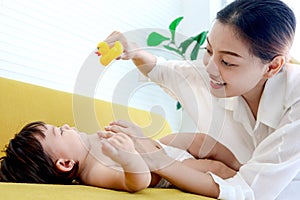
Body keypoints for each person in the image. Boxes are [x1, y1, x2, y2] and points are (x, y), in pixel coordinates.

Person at [103, 0, 300, 199]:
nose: (210, 68)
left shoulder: (296, 101)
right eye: (209, 50)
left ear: (272, 67)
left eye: (227, 62)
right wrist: (134, 51)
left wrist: (158, 161)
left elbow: (250, 190)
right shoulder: (215, 74)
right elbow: (163, 72)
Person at [0, 121, 240, 190]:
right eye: (60, 132)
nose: (66, 125)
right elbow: (137, 180)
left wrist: (134, 134)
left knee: (199, 139)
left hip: (157, 146)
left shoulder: (91, 143)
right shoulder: (95, 173)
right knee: (213, 168)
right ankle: (244, 178)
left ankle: (242, 165)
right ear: (65, 163)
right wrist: (127, 158)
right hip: (170, 168)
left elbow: (134, 142)